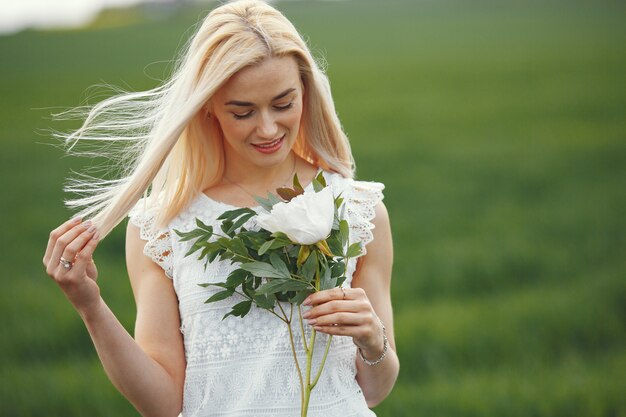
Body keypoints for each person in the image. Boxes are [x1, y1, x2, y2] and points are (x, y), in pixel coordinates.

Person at [42, 1, 399, 416]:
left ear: (306, 90)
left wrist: (373, 338)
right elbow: (162, 404)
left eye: (283, 104)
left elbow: (373, 390)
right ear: (208, 105)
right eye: (242, 111)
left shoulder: (358, 209)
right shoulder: (162, 226)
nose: (267, 128)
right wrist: (90, 307)